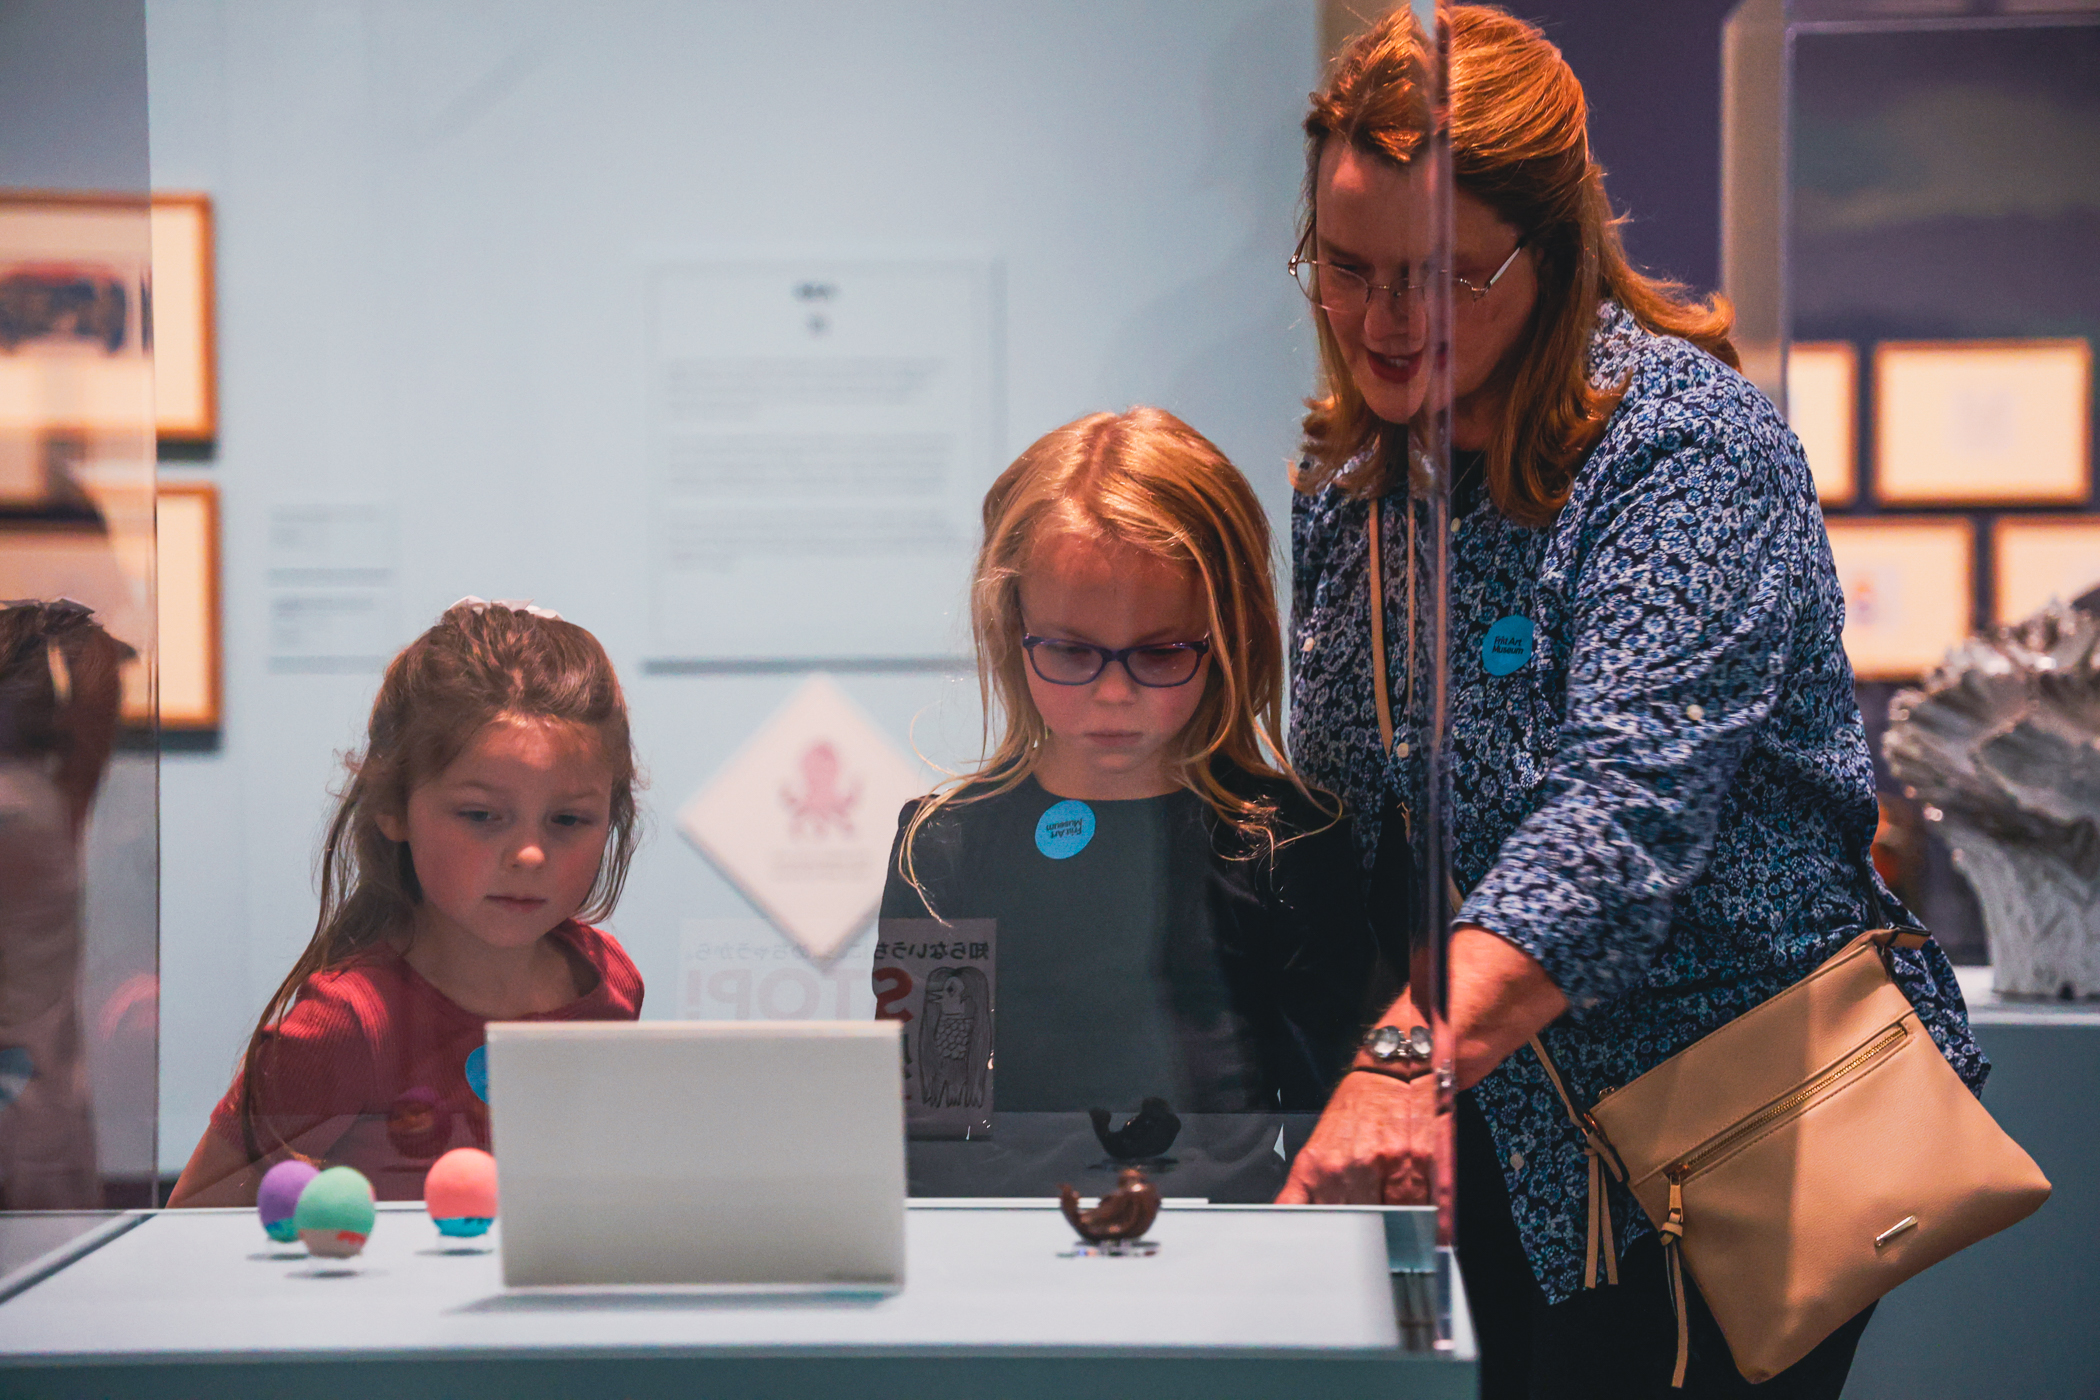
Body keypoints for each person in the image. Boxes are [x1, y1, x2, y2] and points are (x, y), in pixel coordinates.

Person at [1275, 9, 1985, 1398]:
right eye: (1342, 268)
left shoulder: (1684, 452)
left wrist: (1405, 1059)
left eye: (1435, 278)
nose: (1377, 321)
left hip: (1722, 1139)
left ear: (1551, 253)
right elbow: (1355, 831)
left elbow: (1623, 817)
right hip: (1481, 1146)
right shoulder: (1361, 494)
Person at [880, 407, 1376, 1141]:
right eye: (1073, 653)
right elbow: (927, 1126)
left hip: (1235, 1247)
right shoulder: (943, 844)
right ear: (1010, 624)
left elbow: (1340, 1139)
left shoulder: (1287, 845)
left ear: (1232, 631)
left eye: (1162, 652)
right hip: (994, 1241)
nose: (1114, 694)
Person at [168, 599, 645, 1205]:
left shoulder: (609, 983)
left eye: (570, 819)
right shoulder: (343, 1025)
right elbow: (189, 1225)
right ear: (393, 806)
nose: (529, 855)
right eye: (480, 815)